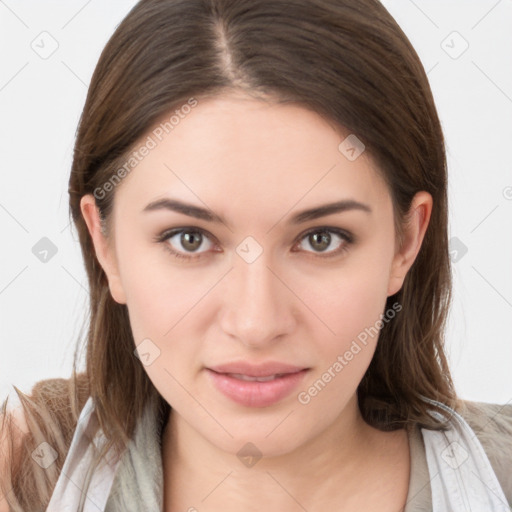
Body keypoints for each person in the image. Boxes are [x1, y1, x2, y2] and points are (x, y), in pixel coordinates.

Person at [1, 0, 511, 510]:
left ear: (406, 242)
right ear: (105, 245)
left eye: (321, 239)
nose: (256, 323)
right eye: (190, 239)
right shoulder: (18, 475)